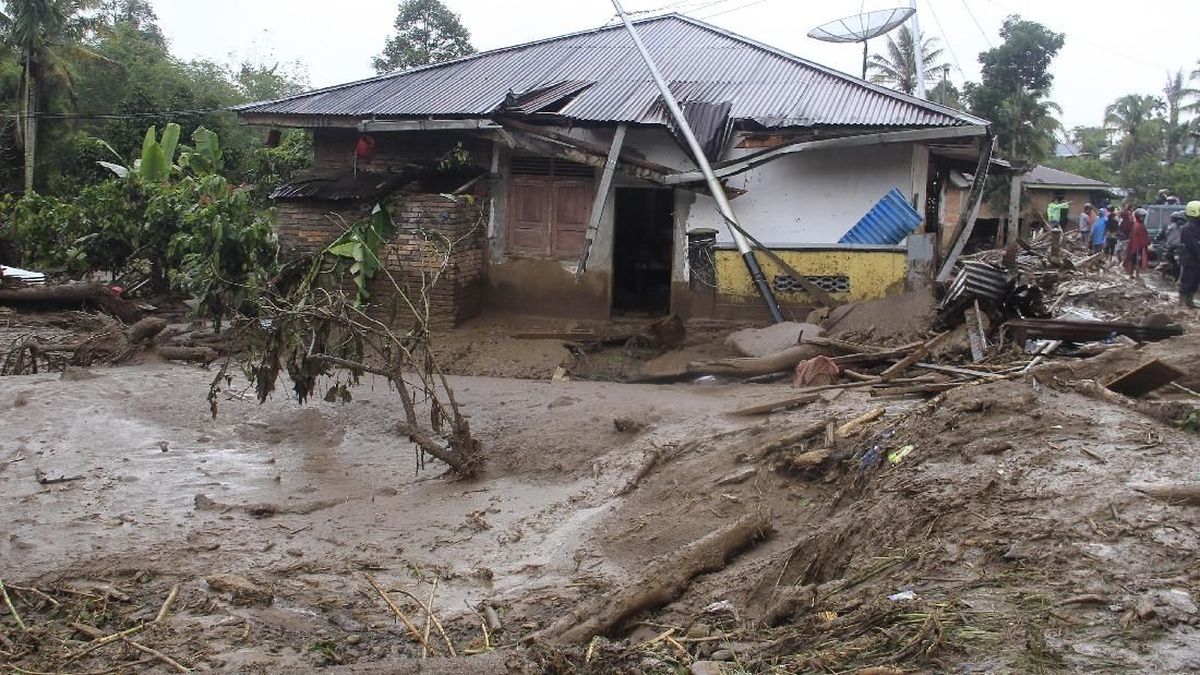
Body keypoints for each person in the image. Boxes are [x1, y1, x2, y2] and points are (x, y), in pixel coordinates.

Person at [1179, 201, 1200, 308]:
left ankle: (1189, 301)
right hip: (1190, 258)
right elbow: (1194, 244)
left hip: (1196, 259)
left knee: (1195, 281)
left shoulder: (1197, 226)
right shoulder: (1188, 228)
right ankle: (1182, 302)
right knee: (1188, 280)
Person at [1124, 207, 1151, 279]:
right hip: (1136, 246)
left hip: (1138, 246)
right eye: (1141, 217)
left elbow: (1144, 235)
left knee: (1137, 261)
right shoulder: (1137, 225)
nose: (1143, 218)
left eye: (1144, 217)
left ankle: (1135, 274)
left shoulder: (1140, 225)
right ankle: (1134, 274)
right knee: (1135, 261)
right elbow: (1136, 237)